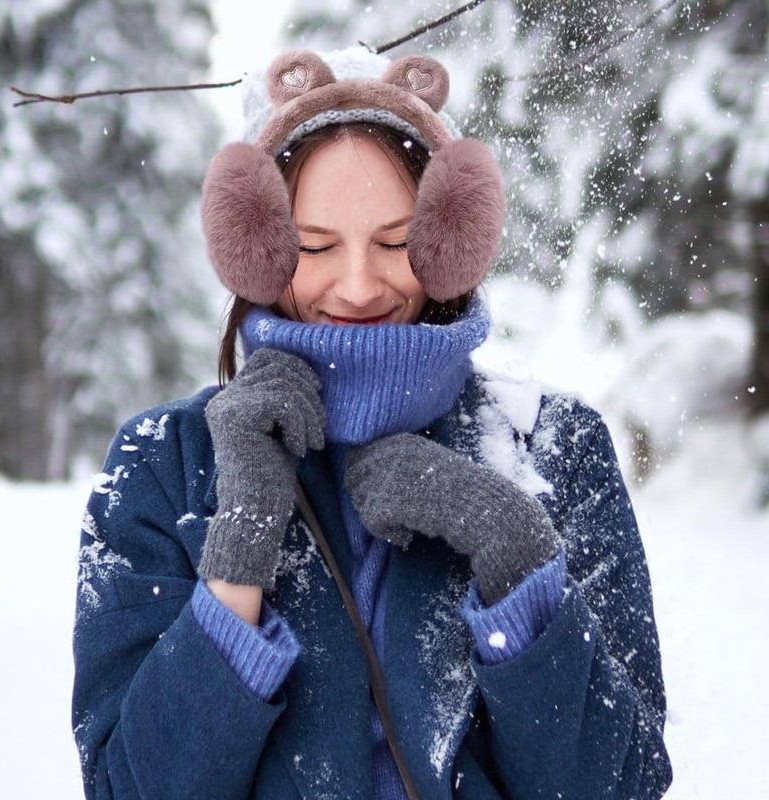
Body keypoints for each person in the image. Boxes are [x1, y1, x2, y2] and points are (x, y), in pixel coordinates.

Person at [72, 47, 673, 799]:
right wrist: (237, 559)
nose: (358, 286)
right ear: (259, 248)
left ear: (448, 240)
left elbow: (622, 785)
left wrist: (515, 554)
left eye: (394, 243)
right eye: (316, 246)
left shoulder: (559, 447)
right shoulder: (161, 462)